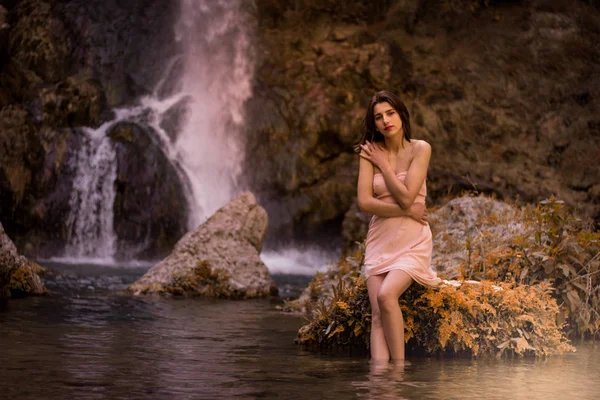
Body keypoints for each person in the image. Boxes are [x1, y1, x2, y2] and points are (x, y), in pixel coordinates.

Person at [356, 90, 441, 361]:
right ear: (374, 124)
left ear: (401, 114)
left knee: (386, 294)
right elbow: (365, 202)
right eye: (378, 117)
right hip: (380, 239)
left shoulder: (421, 148)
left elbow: (407, 196)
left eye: (390, 113)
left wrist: (384, 166)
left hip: (412, 240)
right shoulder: (369, 153)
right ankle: (381, 385)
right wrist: (407, 210)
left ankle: (399, 372)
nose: (385, 121)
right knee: (378, 316)